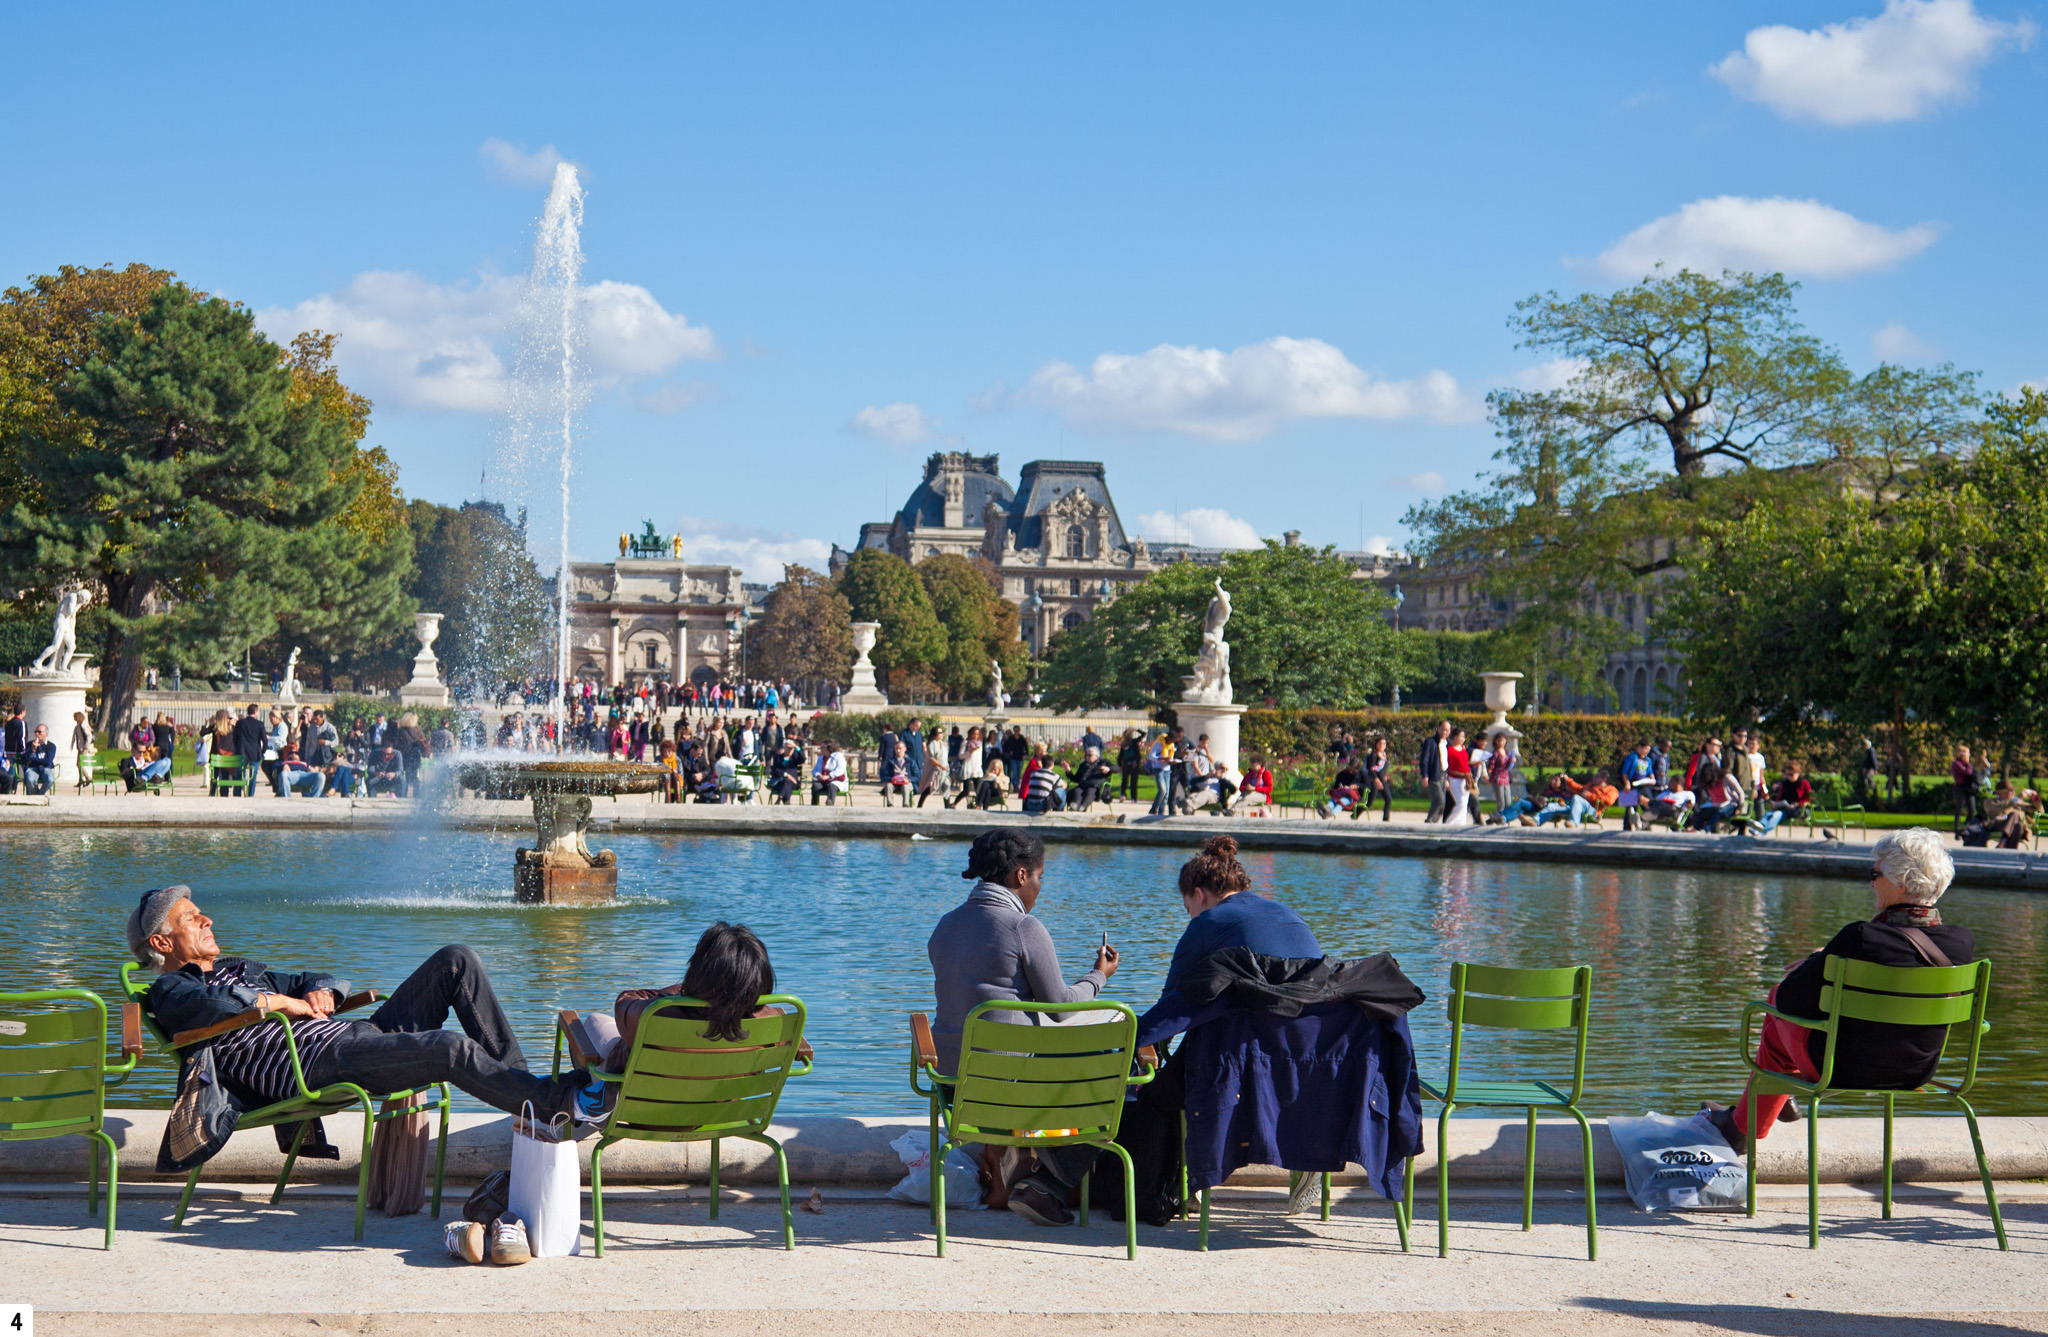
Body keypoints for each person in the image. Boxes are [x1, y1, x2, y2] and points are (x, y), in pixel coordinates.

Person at [129, 885, 583, 1171]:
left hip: (353, 1039)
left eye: (201, 912)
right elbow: (217, 1005)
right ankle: (553, 1104)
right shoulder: (171, 990)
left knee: (456, 959)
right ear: (161, 942)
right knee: (449, 1050)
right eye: (191, 918)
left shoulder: (243, 971)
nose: (206, 920)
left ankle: (530, 1098)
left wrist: (324, 993)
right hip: (314, 1066)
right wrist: (280, 1002)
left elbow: (312, 980)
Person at [1703, 829, 1973, 1151]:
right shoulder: (1961, 944)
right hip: (1916, 1071)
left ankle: (1747, 1124)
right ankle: (1766, 1106)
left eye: (1875, 874)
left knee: (1775, 1002)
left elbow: (1791, 1000)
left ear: (1901, 882)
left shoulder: (1860, 938)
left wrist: (1816, 961)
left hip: (1841, 1069)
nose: (1870, 881)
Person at [926, 830, 1118, 1227]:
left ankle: (1002, 1157)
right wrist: (1099, 975)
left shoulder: (944, 926)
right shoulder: (1023, 927)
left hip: (953, 1081)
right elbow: (1063, 1007)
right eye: (1040, 877)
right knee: (1114, 1066)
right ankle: (1048, 1179)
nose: (1039, 888)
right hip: (1012, 1085)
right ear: (1020, 875)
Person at [1746, 761, 1815, 837]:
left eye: (1791, 774)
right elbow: (1780, 797)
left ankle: (1762, 832)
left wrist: (1798, 804)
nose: (1789, 777)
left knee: (1777, 814)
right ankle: (1758, 827)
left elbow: (1810, 799)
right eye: (1787, 774)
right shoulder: (1785, 783)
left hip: (1799, 810)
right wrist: (1776, 803)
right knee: (1769, 813)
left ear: (1798, 773)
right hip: (1785, 808)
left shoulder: (1804, 783)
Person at [1418, 719, 1451, 823]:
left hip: (1443, 776)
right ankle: (1429, 820)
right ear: (1438, 729)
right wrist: (1425, 775)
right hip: (1434, 776)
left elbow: (1446, 762)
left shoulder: (1447, 744)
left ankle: (1433, 823)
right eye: (1443, 729)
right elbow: (1425, 759)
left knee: (1442, 804)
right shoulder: (1431, 742)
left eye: (1447, 730)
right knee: (1439, 800)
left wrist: (1447, 778)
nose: (1445, 732)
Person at [1443, 727, 1473, 828]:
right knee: (1461, 803)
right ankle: (1449, 824)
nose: (1462, 739)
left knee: (1465, 803)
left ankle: (1461, 824)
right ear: (1454, 736)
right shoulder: (1450, 750)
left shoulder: (1463, 749)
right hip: (1455, 779)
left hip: (1466, 780)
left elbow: (1465, 764)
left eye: (1463, 737)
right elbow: (1448, 768)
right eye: (1460, 736)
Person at [19, 723, 57, 795]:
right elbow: (23, 759)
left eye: (39, 732)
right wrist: (33, 750)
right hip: (32, 768)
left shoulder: (51, 746)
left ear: (46, 733)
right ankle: (34, 796)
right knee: (30, 779)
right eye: (35, 732)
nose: (37, 734)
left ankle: (39, 795)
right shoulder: (30, 744)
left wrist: (33, 759)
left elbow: (47, 761)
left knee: (50, 779)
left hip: (45, 768)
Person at [1950, 746, 1979, 833]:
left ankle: (1966, 827)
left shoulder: (1966, 764)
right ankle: (1957, 830)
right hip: (1960, 788)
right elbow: (1968, 772)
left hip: (1969, 789)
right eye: (1967, 753)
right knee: (1959, 810)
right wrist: (1968, 764)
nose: (1969, 755)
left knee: (1972, 810)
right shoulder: (1956, 763)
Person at [810, 741, 847, 805]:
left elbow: (840, 769)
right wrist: (818, 775)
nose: (821, 749)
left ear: (829, 748)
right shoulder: (821, 758)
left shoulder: (838, 756)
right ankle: (814, 805)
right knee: (815, 786)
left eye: (822, 747)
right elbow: (815, 770)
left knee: (832, 785)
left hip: (836, 780)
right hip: (823, 781)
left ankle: (830, 802)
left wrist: (829, 775)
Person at [880, 740, 913, 806]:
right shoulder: (890, 762)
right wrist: (891, 779)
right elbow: (885, 775)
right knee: (888, 786)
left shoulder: (910, 761)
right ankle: (890, 804)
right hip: (894, 783)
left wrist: (908, 779)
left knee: (905, 786)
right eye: (896, 749)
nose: (898, 751)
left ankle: (906, 804)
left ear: (905, 749)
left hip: (906, 782)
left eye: (900, 749)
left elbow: (917, 776)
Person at [1116, 730, 1144, 802]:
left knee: (1125, 780)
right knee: (1133, 781)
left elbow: (1120, 755)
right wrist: (1137, 730)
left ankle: (1123, 795)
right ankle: (1133, 798)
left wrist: (1120, 764)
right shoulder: (1133, 742)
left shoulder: (1125, 743)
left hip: (1127, 763)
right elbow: (1143, 734)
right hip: (1133, 763)